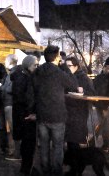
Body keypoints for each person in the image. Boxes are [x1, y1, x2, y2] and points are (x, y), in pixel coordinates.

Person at [32, 45, 78, 176]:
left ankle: (45, 170)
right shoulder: (59, 72)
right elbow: (73, 85)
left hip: (42, 114)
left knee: (44, 145)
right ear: (57, 56)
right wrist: (65, 67)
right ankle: (57, 172)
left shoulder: (38, 71)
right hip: (57, 115)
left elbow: (33, 91)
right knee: (58, 146)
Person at [64, 56, 96, 175]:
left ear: (76, 66)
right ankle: (74, 168)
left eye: (69, 66)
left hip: (79, 112)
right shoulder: (66, 76)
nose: (67, 68)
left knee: (75, 140)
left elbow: (92, 94)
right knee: (70, 142)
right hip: (68, 112)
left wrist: (83, 92)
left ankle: (77, 169)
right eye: (65, 66)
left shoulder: (84, 78)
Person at [11, 55, 38, 175]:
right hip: (26, 115)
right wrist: (32, 111)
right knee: (28, 143)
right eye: (35, 65)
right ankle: (27, 168)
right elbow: (25, 97)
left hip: (21, 114)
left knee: (26, 143)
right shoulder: (24, 78)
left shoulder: (21, 76)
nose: (36, 67)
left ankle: (25, 167)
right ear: (28, 65)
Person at [2, 54, 19, 160]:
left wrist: (1, 87)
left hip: (10, 104)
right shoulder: (15, 72)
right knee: (14, 129)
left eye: (6, 61)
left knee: (14, 129)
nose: (4, 63)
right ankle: (15, 151)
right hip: (11, 104)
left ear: (10, 62)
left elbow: (11, 88)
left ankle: (16, 153)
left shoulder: (13, 74)